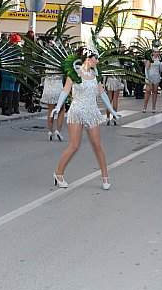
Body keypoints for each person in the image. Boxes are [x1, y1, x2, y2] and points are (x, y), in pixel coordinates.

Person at [51, 47, 120, 190]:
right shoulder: (75, 73)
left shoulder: (96, 74)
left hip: (92, 112)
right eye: (96, 58)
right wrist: (57, 107)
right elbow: (65, 91)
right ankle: (58, 173)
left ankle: (105, 176)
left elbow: (102, 94)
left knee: (97, 145)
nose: (98, 61)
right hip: (77, 111)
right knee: (74, 145)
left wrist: (112, 110)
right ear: (89, 59)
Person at [143, 49, 162, 113]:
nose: (156, 53)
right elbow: (146, 69)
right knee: (148, 91)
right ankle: (145, 106)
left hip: (157, 77)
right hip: (150, 77)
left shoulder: (159, 60)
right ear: (153, 53)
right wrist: (147, 78)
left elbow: (161, 70)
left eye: (157, 52)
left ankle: (154, 106)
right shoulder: (150, 60)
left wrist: (161, 65)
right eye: (155, 52)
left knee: (155, 91)